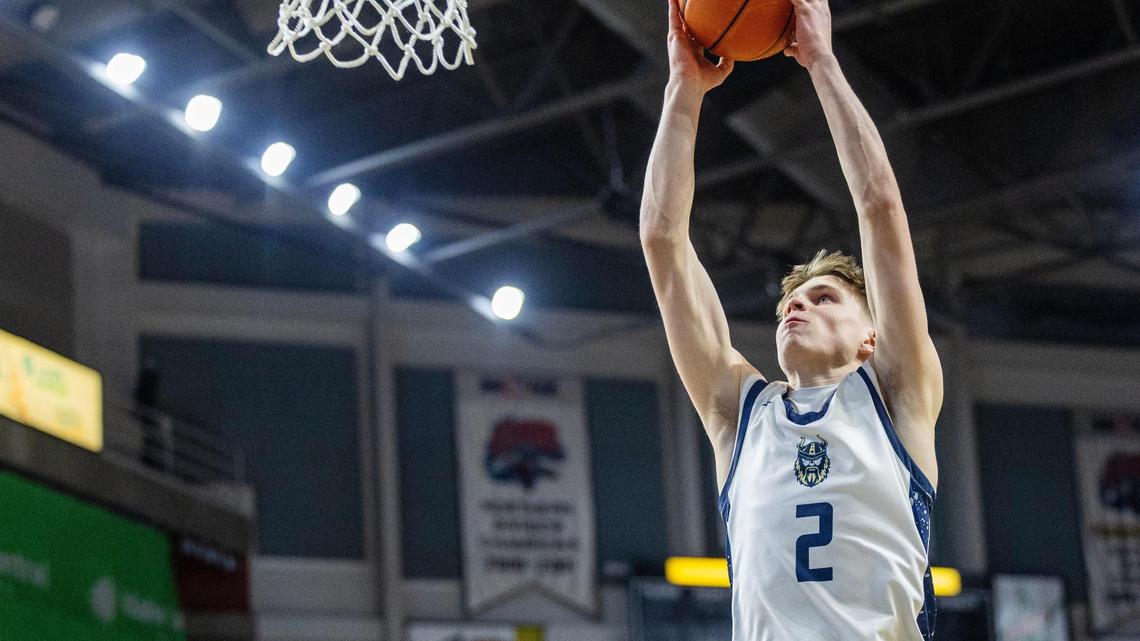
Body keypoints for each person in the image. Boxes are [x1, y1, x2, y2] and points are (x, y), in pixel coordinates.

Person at [639, 0, 943, 638]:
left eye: (825, 297)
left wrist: (822, 63)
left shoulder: (897, 393)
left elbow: (880, 207)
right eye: (789, 304)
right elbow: (662, 240)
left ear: (871, 337)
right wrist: (683, 91)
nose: (797, 305)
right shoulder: (738, 416)